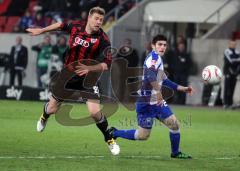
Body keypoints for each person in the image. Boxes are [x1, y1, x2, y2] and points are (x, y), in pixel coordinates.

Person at [26, 6, 120, 155]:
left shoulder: (103, 39)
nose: (98, 22)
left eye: (101, 20)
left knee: (95, 112)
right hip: (67, 75)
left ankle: (109, 138)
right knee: (52, 108)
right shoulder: (76, 26)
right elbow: (60, 25)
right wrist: (42, 30)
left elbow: (106, 65)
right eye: (96, 18)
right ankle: (44, 116)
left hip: (88, 78)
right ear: (89, 18)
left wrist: (90, 68)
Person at [108, 34, 193, 159]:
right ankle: (114, 132)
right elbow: (150, 75)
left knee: (174, 125)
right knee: (143, 135)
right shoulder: (153, 58)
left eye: (164, 45)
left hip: (157, 102)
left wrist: (182, 88)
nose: (162, 47)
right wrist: (158, 92)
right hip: (146, 103)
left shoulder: (159, 58)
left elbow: (164, 80)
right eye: (159, 44)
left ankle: (175, 152)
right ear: (153, 45)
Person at [223, 39, 240, 108]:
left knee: (232, 88)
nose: (233, 45)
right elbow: (229, 61)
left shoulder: (237, 52)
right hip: (228, 72)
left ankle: (230, 103)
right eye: (232, 44)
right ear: (229, 44)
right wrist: (236, 61)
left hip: (235, 73)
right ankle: (226, 103)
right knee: (227, 88)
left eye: (234, 44)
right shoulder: (227, 51)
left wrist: (237, 71)